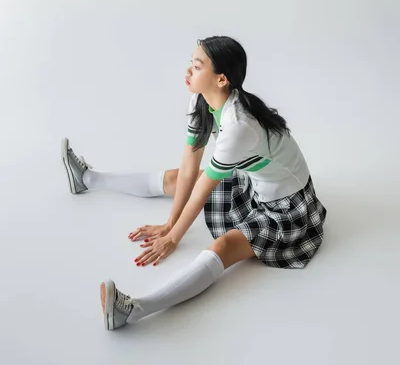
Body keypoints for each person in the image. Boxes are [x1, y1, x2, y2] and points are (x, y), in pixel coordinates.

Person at [61, 35, 327, 331]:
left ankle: (134, 310)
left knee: (224, 246)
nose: (189, 70)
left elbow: (202, 191)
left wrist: (173, 237)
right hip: (253, 184)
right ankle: (87, 179)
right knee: (177, 178)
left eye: (197, 66)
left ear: (222, 79)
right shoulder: (201, 100)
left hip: (288, 209)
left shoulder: (239, 126)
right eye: (191, 63)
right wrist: (169, 222)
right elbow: (189, 169)